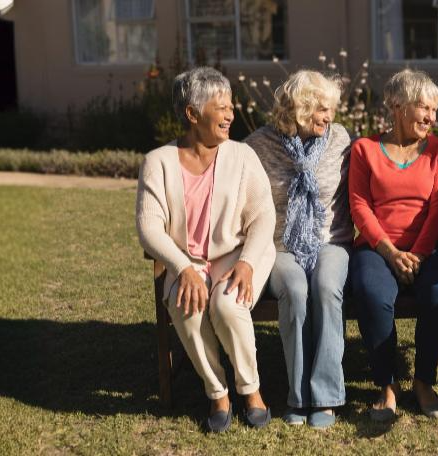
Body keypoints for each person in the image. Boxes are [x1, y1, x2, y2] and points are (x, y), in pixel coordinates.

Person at [135, 67, 276, 433]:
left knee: (227, 306)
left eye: (231, 106)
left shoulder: (242, 155)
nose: (230, 115)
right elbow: (149, 228)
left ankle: (251, 389)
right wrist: (182, 268)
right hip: (188, 260)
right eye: (222, 107)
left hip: (238, 253)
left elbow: (263, 216)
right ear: (192, 114)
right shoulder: (157, 163)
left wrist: (246, 264)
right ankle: (217, 393)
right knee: (187, 306)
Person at [347, 69, 438, 421]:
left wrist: (419, 254)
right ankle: (387, 387)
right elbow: (359, 206)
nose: (432, 117)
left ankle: (424, 382)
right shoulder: (364, 149)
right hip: (378, 248)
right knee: (370, 292)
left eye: (435, 110)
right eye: (425, 108)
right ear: (398, 106)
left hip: (427, 247)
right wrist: (391, 253)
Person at [243, 70, 352, 429]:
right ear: (301, 109)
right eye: (321, 108)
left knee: (324, 287)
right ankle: (298, 394)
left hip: (330, 239)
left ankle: (326, 395)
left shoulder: (339, 140)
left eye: (331, 108)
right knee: (294, 288)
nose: (329, 116)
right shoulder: (258, 145)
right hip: (278, 245)